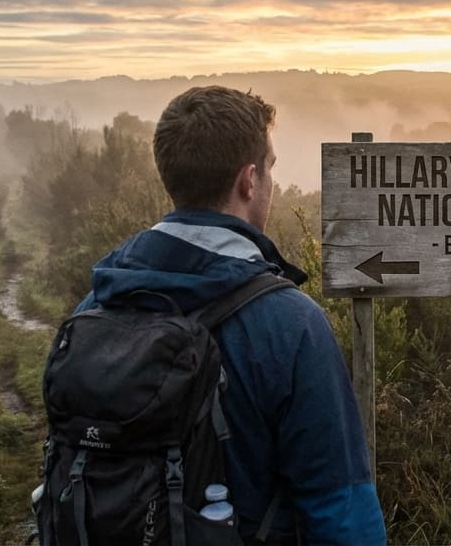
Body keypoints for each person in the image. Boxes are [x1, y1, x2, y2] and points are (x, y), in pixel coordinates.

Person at [75, 85, 386, 544]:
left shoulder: (97, 304)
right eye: (271, 169)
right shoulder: (291, 325)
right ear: (249, 180)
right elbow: (341, 512)